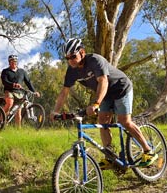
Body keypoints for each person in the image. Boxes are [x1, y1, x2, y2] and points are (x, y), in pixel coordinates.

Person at [51, 38, 157, 167]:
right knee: (103, 122)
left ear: (82, 52)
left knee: (124, 121)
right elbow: (64, 92)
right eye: (67, 58)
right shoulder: (71, 71)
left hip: (121, 88)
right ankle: (110, 156)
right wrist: (55, 111)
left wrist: (96, 104)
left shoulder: (95, 60)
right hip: (105, 94)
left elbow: (103, 81)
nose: (70, 60)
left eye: (73, 56)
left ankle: (148, 151)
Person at [1, 54, 39, 126]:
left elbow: (28, 82)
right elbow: (4, 81)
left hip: (19, 93)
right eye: (11, 61)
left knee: (18, 112)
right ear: (9, 62)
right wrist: (13, 84)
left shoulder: (22, 71)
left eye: (15, 61)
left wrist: (34, 91)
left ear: (17, 62)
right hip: (9, 91)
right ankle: (1, 119)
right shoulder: (5, 71)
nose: (13, 63)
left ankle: (18, 130)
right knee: (10, 103)